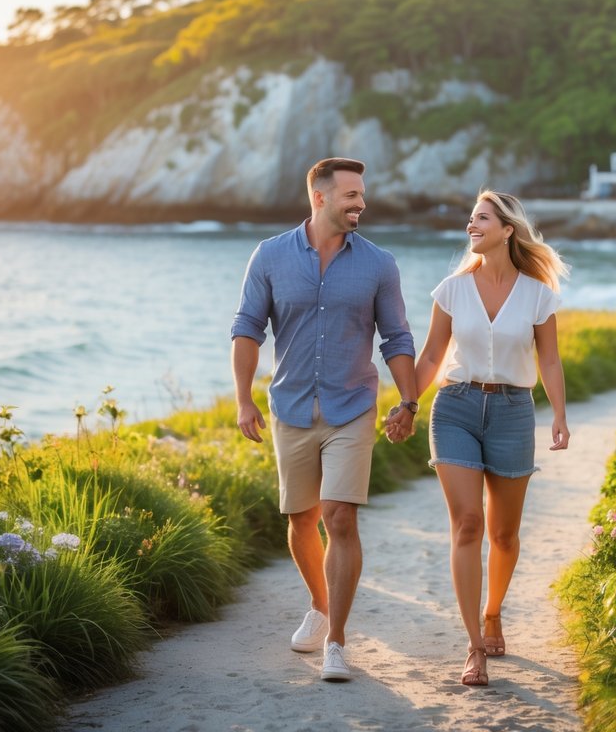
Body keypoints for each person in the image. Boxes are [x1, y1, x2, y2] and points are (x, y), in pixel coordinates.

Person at [231, 157, 418, 683]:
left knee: (339, 516)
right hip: (290, 406)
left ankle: (336, 640)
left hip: (351, 406)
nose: (361, 203)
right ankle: (320, 604)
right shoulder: (269, 256)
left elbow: (397, 338)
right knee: (301, 520)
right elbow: (247, 328)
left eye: (362, 194)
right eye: (351, 195)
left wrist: (408, 401)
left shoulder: (379, 264)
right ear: (320, 197)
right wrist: (244, 399)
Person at [411, 190, 570, 687]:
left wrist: (559, 414)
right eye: (471, 219)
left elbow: (549, 359)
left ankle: (493, 611)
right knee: (468, 525)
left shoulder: (539, 295)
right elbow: (433, 355)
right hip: (455, 406)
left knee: (503, 534)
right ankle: (473, 647)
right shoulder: (451, 290)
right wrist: (406, 403)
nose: (470, 227)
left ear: (507, 230)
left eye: (481, 219)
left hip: (513, 412)